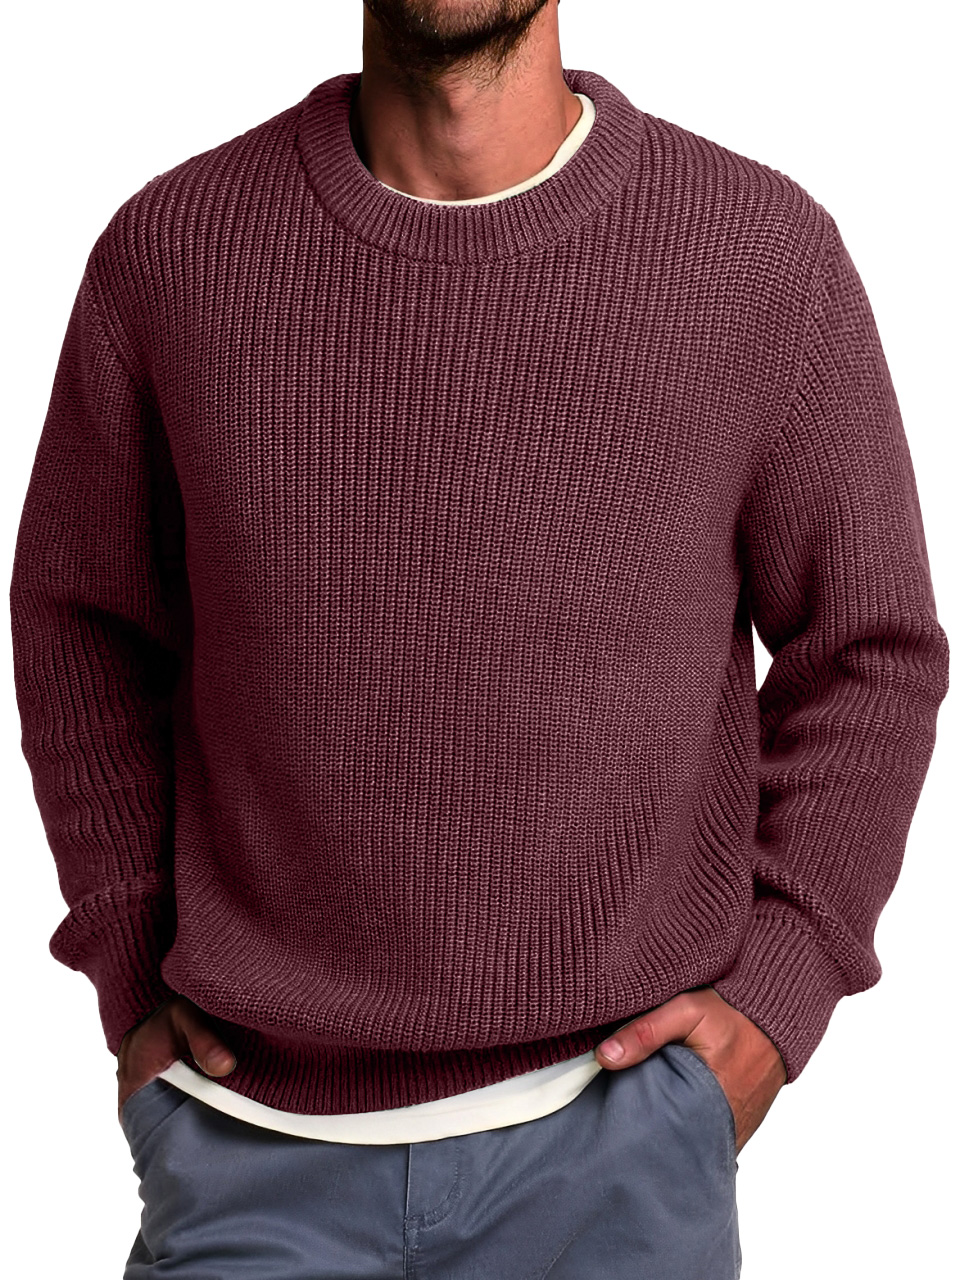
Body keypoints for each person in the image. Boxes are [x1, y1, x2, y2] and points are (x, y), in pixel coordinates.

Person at [10, 1, 949, 1276]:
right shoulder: (174, 253)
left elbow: (871, 650)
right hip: (248, 1142)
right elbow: (81, 625)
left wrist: (779, 991)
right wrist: (129, 961)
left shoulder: (755, 254)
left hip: (620, 1141)